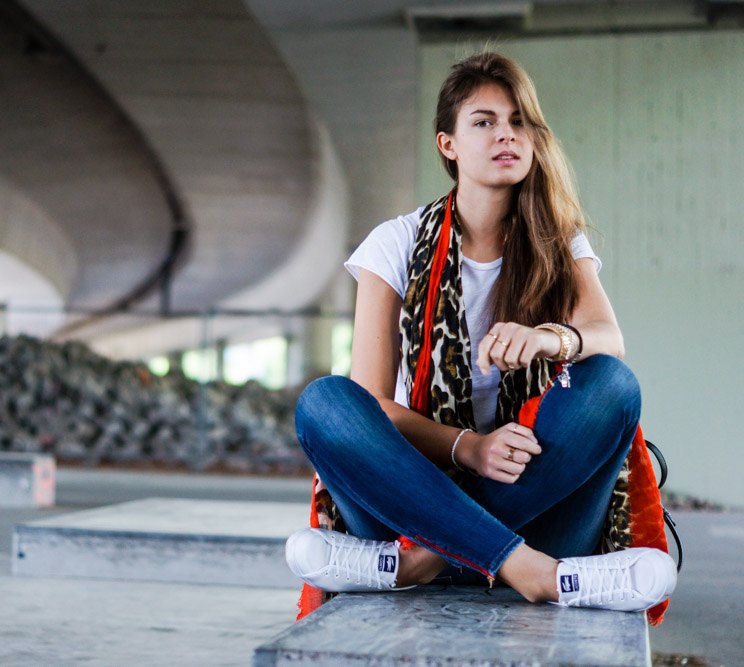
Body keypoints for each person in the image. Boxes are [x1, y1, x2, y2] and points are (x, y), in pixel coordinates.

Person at [285, 52, 676, 614]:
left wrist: (548, 338)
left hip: (528, 509)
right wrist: (469, 448)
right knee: (326, 402)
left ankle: (427, 561)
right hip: (411, 499)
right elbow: (372, 406)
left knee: (611, 383)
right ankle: (532, 573)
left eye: (519, 121)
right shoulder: (394, 245)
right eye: (484, 121)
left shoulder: (558, 243)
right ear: (448, 144)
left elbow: (608, 336)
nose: (506, 135)